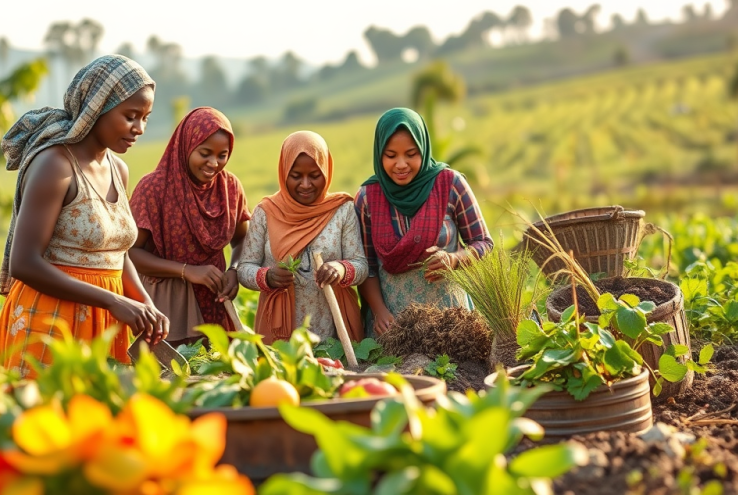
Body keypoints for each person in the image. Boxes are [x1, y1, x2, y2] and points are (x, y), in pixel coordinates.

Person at [0, 55, 169, 378]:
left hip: (105, 324)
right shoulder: (55, 165)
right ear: (96, 107)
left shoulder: (118, 169)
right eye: (130, 116)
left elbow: (115, 252)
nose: (139, 128)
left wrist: (145, 304)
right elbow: (25, 262)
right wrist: (113, 301)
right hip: (51, 320)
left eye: (145, 117)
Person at [354, 107, 493, 337]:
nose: (401, 164)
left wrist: (454, 259)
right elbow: (365, 265)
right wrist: (378, 311)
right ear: (379, 153)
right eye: (391, 155)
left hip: (451, 322)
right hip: (392, 326)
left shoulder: (451, 184)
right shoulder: (367, 198)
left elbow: (483, 243)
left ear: (424, 148)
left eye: (411, 154)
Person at [129, 107, 250, 344]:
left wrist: (234, 270)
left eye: (222, 155)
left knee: (215, 372)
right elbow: (130, 254)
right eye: (204, 153)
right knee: (169, 375)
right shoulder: (153, 189)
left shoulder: (230, 188)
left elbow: (243, 239)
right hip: (165, 305)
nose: (213, 163)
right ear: (185, 146)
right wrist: (187, 271)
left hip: (214, 302)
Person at [237, 131, 368, 344]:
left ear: (326, 171)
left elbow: (361, 266)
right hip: (280, 333)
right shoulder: (266, 212)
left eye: (314, 176)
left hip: (333, 330)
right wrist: (268, 277)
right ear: (283, 172)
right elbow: (244, 269)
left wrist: (341, 269)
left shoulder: (342, 210)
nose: (305, 185)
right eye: (296, 176)